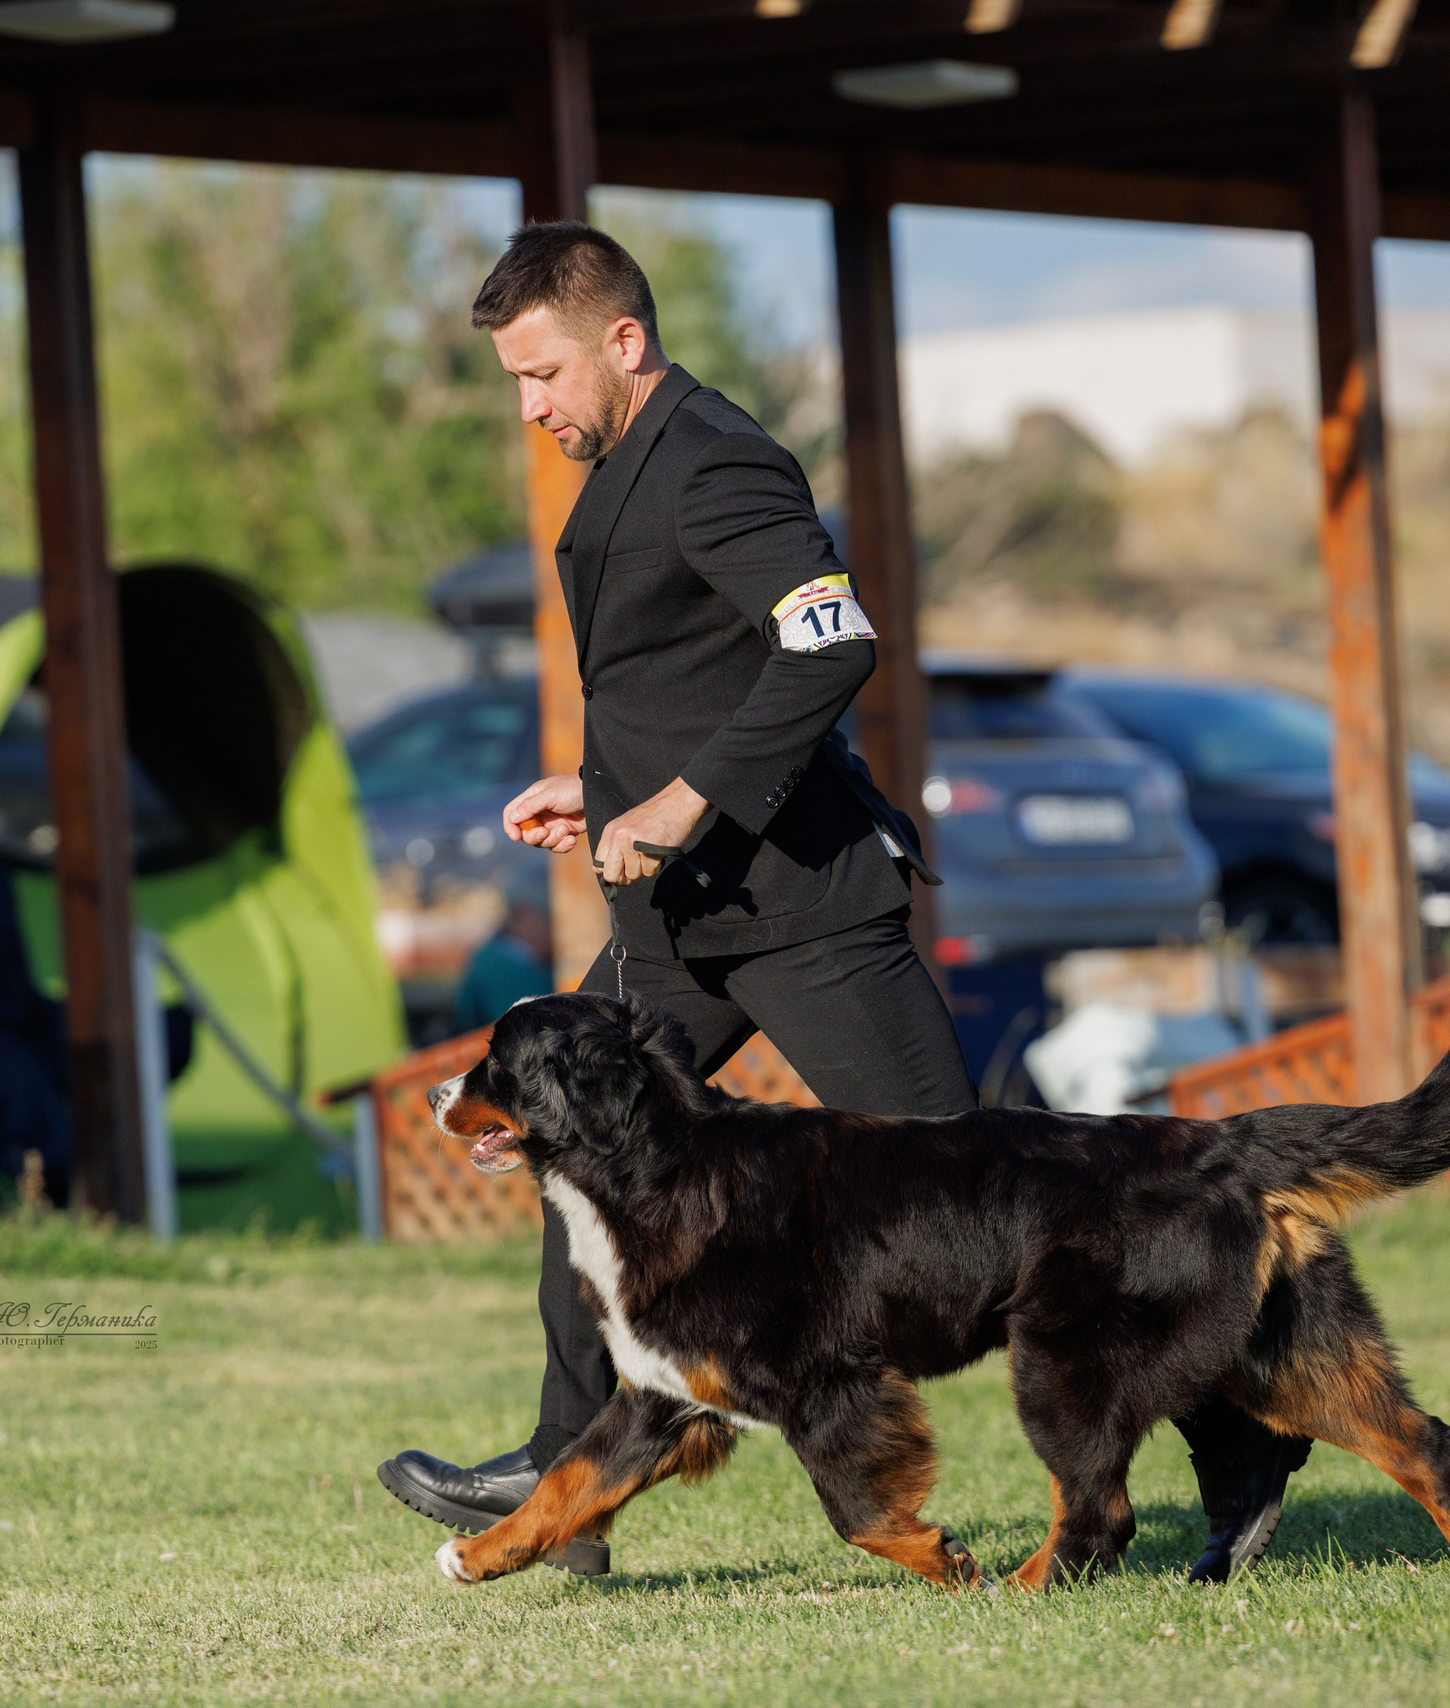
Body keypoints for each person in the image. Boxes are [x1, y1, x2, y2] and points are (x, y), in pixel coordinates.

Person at [377, 222, 1310, 1582]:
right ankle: (561, 1474)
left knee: (989, 1192)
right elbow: (691, 671)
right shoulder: (631, 461)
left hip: (803, 910)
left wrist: (686, 801)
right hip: (681, 930)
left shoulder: (719, 461)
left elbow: (831, 639)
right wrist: (603, 787)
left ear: (622, 342)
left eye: (542, 374)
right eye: (516, 382)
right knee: (568, 1143)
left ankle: (1238, 1437)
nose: (530, 405)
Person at [453, 864, 555, 1031]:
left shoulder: (538, 959)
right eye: (549, 917)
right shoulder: (498, 968)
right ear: (524, 915)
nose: (557, 928)